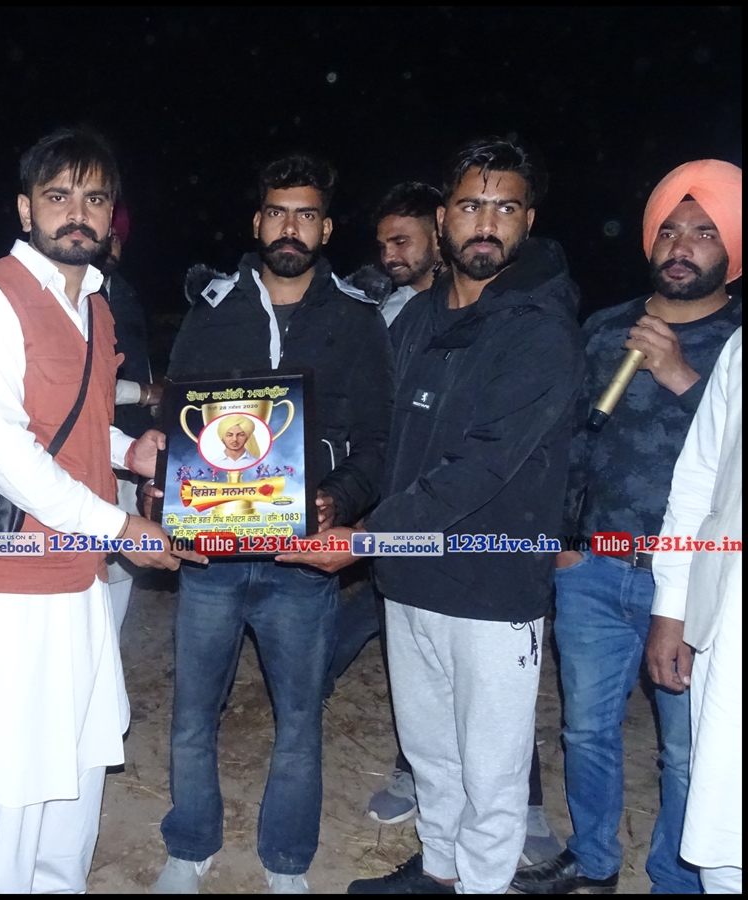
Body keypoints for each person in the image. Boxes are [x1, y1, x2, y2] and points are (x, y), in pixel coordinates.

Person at [281, 137, 585, 893]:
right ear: (444, 218)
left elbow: (482, 466)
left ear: (528, 221)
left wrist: (363, 538)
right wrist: (331, 498)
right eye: (472, 205)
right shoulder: (414, 320)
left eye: (505, 207)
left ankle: (482, 882)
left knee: (492, 768)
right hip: (410, 578)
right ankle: (441, 872)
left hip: (492, 585)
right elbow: (382, 438)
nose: (487, 221)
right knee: (429, 750)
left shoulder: (541, 332)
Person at [0, 127, 200, 893]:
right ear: (25, 209)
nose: (78, 213)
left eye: (95, 198)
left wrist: (130, 452)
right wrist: (120, 525)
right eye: (58, 196)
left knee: (71, 769)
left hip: (77, 577)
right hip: (3, 584)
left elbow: (72, 427)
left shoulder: (97, 308)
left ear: (112, 214)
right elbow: (1, 450)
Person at [155, 153, 394, 894]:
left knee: (298, 721)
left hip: (302, 562)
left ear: (326, 228)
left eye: (306, 214)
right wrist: (168, 497)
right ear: (258, 221)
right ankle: (188, 848)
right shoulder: (212, 311)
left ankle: (286, 862)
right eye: (278, 212)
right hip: (212, 559)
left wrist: (340, 501)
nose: (291, 227)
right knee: (193, 715)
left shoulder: (357, 319)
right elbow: (179, 424)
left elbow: (379, 441)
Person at [513, 159, 742, 896]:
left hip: (697, 578)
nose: (681, 245)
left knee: (686, 749)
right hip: (595, 570)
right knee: (585, 729)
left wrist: (679, 376)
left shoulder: (738, 343)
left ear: (732, 249)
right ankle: (593, 861)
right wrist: (564, 542)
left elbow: (732, 460)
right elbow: (570, 441)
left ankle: (678, 877)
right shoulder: (608, 328)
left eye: (704, 232)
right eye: (669, 230)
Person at [650, 326, 742, 895]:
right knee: (724, 825)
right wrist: (672, 606)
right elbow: (700, 481)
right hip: (730, 624)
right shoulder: (741, 347)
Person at [104, 204, 159, 637]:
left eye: (116, 237)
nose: (110, 245)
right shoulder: (76, 294)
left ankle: (108, 658)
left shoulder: (119, 291)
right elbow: (80, 383)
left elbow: (136, 361)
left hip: (129, 442)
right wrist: (144, 393)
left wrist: (154, 400)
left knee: (122, 561)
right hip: (91, 442)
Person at [374, 181, 443, 324]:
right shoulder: (389, 319)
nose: (387, 258)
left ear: (437, 239)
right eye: (382, 247)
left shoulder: (479, 297)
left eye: (400, 242)